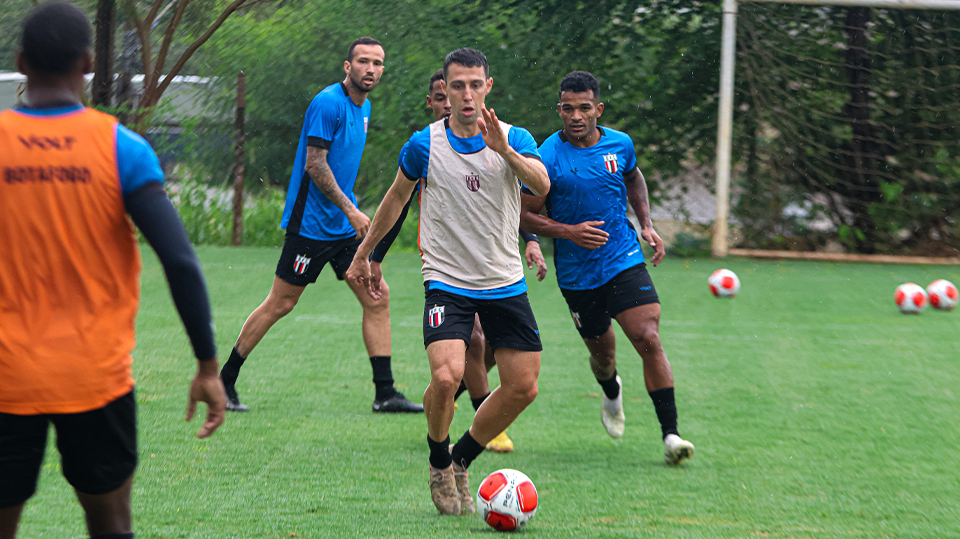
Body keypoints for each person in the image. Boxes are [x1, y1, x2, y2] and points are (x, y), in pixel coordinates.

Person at [0, 4, 226, 539]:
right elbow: (179, 261)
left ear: (20, 61)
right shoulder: (121, 148)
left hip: (6, 377)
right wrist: (207, 366)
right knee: (110, 525)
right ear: (87, 64)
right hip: (95, 378)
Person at [346, 48, 550, 515]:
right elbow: (395, 201)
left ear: (488, 87)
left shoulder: (512, 136)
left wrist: (505, 152)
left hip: (503, 279)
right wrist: (365, 253)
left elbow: (541, 185)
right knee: (446, 376)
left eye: (475, 85)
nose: (466, 94)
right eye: (457, 86)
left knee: (523, 386)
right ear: (445, 90)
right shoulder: (425, 144)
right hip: (446, 278)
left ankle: (461, 458)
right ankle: (439, 462)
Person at [218, 37, 422, 414]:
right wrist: (351, 210)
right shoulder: (328, 103)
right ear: (348, 67)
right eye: (363, 61)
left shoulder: (365, 107)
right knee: (281, 303)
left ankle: (385, 392)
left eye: (377, 63)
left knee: (377, 297)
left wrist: (349, 214)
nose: (370, 69)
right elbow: (315, 164)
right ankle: (224, 381)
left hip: (343, 230)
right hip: (310, 227)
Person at [520, 71, 696, 465]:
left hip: (623, 258)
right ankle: (611, 389)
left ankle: (671, 435)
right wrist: (568, 232)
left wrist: (646, 223)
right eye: (568, 108)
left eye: (585, 108)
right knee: (604, 356)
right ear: (560, 110)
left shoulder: (620, 144)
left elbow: (633, 177)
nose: (576, 116)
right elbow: (524, 215)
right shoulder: (545, 157)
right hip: (578, 275)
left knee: (648, 336)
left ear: (598, 109)